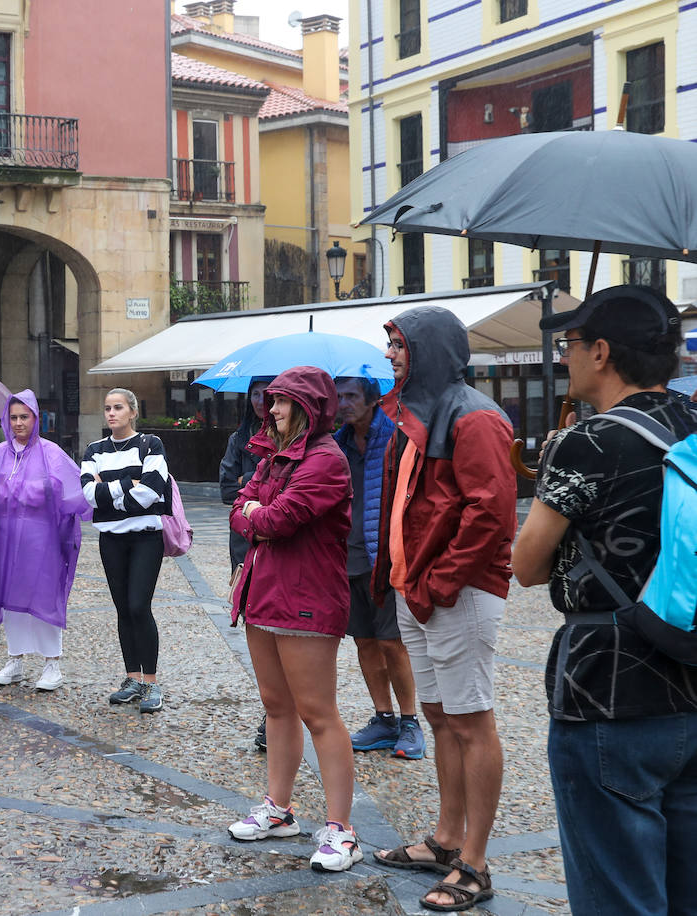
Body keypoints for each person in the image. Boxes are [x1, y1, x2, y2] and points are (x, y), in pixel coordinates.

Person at [512, 285, 697, 916]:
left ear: (602, 352)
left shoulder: (584, 443)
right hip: (692, 676)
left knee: (618, 896)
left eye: (569, 343)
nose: (564, 356)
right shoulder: (694, 425)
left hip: (608, 688)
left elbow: (527, 566)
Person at [370, 306, 516, 912]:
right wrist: (408, 584)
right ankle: (447, 838)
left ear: (428, 349)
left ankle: (475, 864)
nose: (391, 355)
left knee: (470, 720)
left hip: (454, 593)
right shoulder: (416, 414)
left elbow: (491, 515)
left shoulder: (475, 417)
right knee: (440, 717)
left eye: (400, 345)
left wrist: (438, 585)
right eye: (390, 345)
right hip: (420, 591)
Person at [224, 367, 361, 872]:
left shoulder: (325, 459)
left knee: (318, 712)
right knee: (276, 706)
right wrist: (256, 511)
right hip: (264, 595)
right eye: (271, 402)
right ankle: (279, 810)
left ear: (307, 408)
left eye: (282, 403)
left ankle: (341, 830)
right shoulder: (270, 454)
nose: (272, 409)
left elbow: (278, 519)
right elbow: (239, 506)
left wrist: (258, 513)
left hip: (306, 599)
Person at [0, 390, 90, 690]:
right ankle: (15, 658)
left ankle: (52, 664)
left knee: (44, 596)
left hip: (41, 540)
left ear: (35, 418)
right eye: (13, 417)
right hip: (5, 539)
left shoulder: (51, 453)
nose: (18, 423)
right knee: (11, 599)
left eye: (24, 417)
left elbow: (75, 489)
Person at [332, 376, 422, 760]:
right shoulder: (338, 442)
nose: (343, 403)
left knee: (392, 642)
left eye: (351, 396)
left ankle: (410, 721)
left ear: (372, 400)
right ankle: (383, 718)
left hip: (385, 557)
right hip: (348, 557)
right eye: (338, 396)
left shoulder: (396, 437)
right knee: (364, 640)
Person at [79, 387, 171, 713]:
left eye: (118, 407)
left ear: (133, 411)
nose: (111, 413)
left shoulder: (151, 444)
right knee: (121, 608)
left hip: (146, 536)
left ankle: (152, 683)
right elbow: (88, 493)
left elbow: (152, 490)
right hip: (111, 539)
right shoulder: (94, 450)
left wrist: (110, 491)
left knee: (138, 606)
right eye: (107, 408)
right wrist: (128, 485)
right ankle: (132, 678)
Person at [218, 376, 273, 750]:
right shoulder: (239, 438)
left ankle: (276, 715)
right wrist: (251, 487)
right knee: (257, 628)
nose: (261, 401)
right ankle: (273, 710)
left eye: (268, 395)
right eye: (255, 394)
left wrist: (249, 481)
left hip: (280, 546)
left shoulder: (297, 443)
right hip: (245, 549)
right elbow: (227, 490)